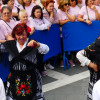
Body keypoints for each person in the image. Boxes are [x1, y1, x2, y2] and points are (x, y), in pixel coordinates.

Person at [0, 23, 49, 100]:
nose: (21, 37)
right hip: (15, 77)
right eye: (18, 35)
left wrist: (37, 44)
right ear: (15, 35)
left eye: (23, 35)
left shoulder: (32, 43)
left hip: (31, 76)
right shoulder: (10, 45)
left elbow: (46, 50)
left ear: (27, 34)